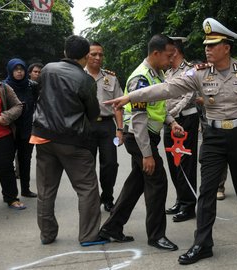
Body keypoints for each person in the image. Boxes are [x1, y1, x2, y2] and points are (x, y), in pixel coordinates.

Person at [104, 18, 237, 265]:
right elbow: (166, 89)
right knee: (207, 190)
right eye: (206, 45)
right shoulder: (198, 73)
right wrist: (130, 97)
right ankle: (202, 243)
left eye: (213, 45)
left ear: (227, 47)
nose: (207, 49)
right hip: (212, 138)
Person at [99, 34, 178, 251]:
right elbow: (139, 119)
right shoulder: (140, 79)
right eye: (168, 56)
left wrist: (172, 122)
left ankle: (111, 228)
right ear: (155, 53)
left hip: (145, 136)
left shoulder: (157, 74)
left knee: (137, 184)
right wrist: (147, 154)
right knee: (157, 182)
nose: (171, 60)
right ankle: (156, 236)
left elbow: (158, 107)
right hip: (139, 137)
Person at [31, 35, 107, 246]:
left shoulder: (46, 69)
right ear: (85, 57)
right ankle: (89, 236)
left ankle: (47, 234)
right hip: (73, 140)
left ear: (65, 52)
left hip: (43, 136)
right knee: (87, 188)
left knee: (46, 189)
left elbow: (40, 94)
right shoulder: (85, 80)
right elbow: (93, 112)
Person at [162, 36, 198, 223]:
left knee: (185, 162)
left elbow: (189, 96)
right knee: (173, 161)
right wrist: (166, 118)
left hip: (185, 119)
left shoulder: (190, 70)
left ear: (174, 51)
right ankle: (180, 199)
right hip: (170, 122)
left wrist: (170, 115)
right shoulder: (168, 73)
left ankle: (188, 205)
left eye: (167, 50)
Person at [85, 41, 124, 212]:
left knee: (110, 164)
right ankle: (91, 200)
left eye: (100, 54)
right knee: (87, 165)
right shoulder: (79, 76)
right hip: (86, 125)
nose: (97, 57)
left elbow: (118, 105)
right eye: (93, 54)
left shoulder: (111, 77)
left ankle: (107, 197)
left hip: (108, 126)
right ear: (86, 55)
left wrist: (120, 129)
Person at [4, 58, 39, 198]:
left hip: (26, 128)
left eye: (21, 69)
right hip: (9, 130)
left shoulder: (31, 86)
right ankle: (10, 194)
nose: (19, 72)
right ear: (10, 71)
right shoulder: (4, 86)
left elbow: (36, 103)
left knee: (25, 161)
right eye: (16, 69)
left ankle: (26, 189)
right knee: (6, 163)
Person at [0, 58, 25, 210]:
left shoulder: (3, 88)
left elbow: (18, 105)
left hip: (1, 137)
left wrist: (6, 116)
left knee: (5, 168)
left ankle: (11, 198)